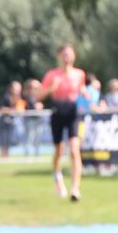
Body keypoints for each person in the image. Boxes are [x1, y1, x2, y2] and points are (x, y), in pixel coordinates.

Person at [39, 45, 86, 201]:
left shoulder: (79, 74)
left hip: (73, 112)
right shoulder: (52, 75)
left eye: (69, 54)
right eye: (64, 54)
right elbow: (39, 96)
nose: (67, 57)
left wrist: (88, 96)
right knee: (59, 150)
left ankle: (75, 188)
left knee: (74, 150)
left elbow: (82, 90)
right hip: (57, 113)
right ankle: (57, 177)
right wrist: (51, 88)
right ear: (59, 56)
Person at [0, 81, 27, 158]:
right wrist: (13, 110)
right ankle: (3, 157)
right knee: (3, 141)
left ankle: (6, 156)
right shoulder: (6, 97)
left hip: (12, 123)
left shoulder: (20, 98)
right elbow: (2, 109)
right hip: (4, 122)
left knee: (9, 141)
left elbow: (21, 109)